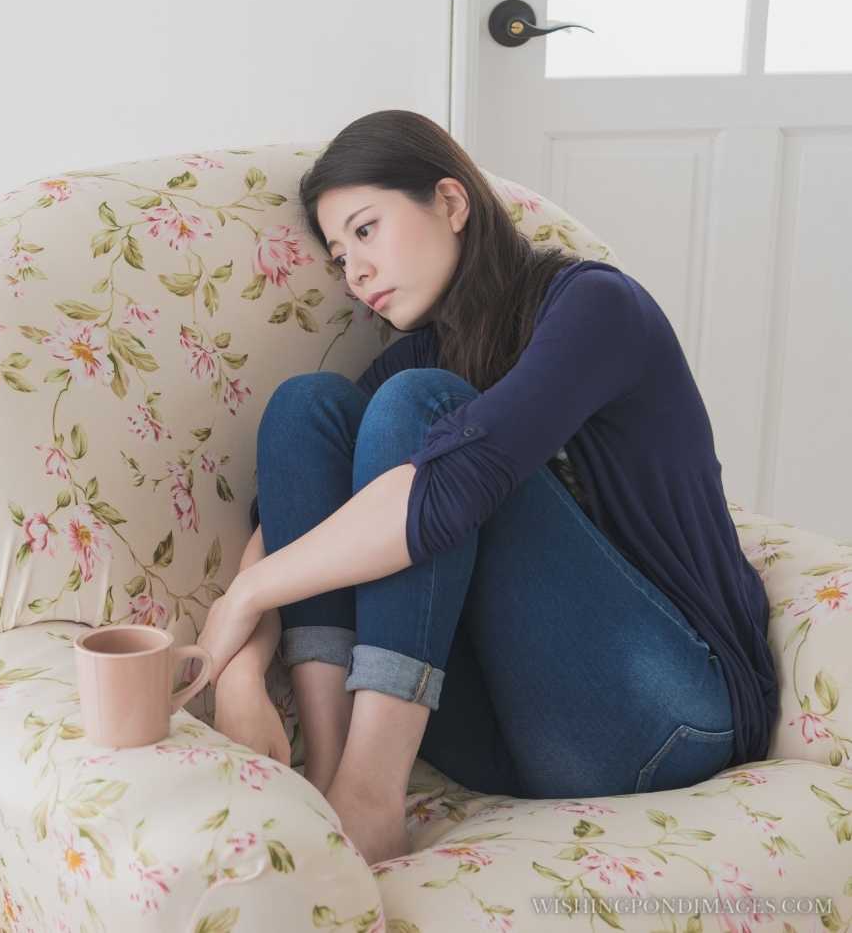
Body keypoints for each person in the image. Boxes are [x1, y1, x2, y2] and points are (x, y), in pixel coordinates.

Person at [211, 109, 778, 867]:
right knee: (304, 411)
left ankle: (370, 797)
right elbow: (296, 513)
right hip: (512, 738)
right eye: (340, 255)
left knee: (419, 412)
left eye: (367, 230)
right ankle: (333, 773)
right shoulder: (431, 351)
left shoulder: (594, 307)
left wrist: (240, 598)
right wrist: (242, 675)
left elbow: (444, 489)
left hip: (664, 718)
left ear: (450, 202)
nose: (355, 273)